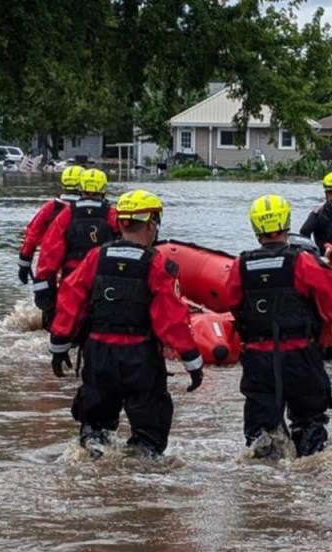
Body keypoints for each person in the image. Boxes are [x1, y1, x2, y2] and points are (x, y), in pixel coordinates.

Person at [48, 189, 204, 459]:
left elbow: (70, 300)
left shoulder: (95, 258)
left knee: (95, 431)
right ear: (152, 224)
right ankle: (139, 487)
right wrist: (192, 361)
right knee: (148, 437)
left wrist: (58, 346)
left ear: (120, 223)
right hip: (140, 359)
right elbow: (172, 319)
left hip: (98, 355)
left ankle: (96, 481)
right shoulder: (158, 265)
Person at [226, 194, 332, 459]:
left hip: (259, 361)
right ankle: (307, 482)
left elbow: (231, 303)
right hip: (300, 359)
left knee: (262, 436)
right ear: (286, 222)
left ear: (255, 227)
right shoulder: (304, 263)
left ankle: (265, 492)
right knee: (310, 427)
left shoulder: (240, 267)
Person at [33, 168, 119, 328]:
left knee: (65, 325)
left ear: (81, 190)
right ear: (104, 190)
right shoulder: (112, 215)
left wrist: (43, 285)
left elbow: (49, 252)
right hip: (103, 280)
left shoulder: (66, 215)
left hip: (71, 279)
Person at [17, 165, 85, 284]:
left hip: (50, 267)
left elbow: (31, 235)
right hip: (81, 267)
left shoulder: (50, 207)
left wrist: (24, 264)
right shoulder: (94, 211)